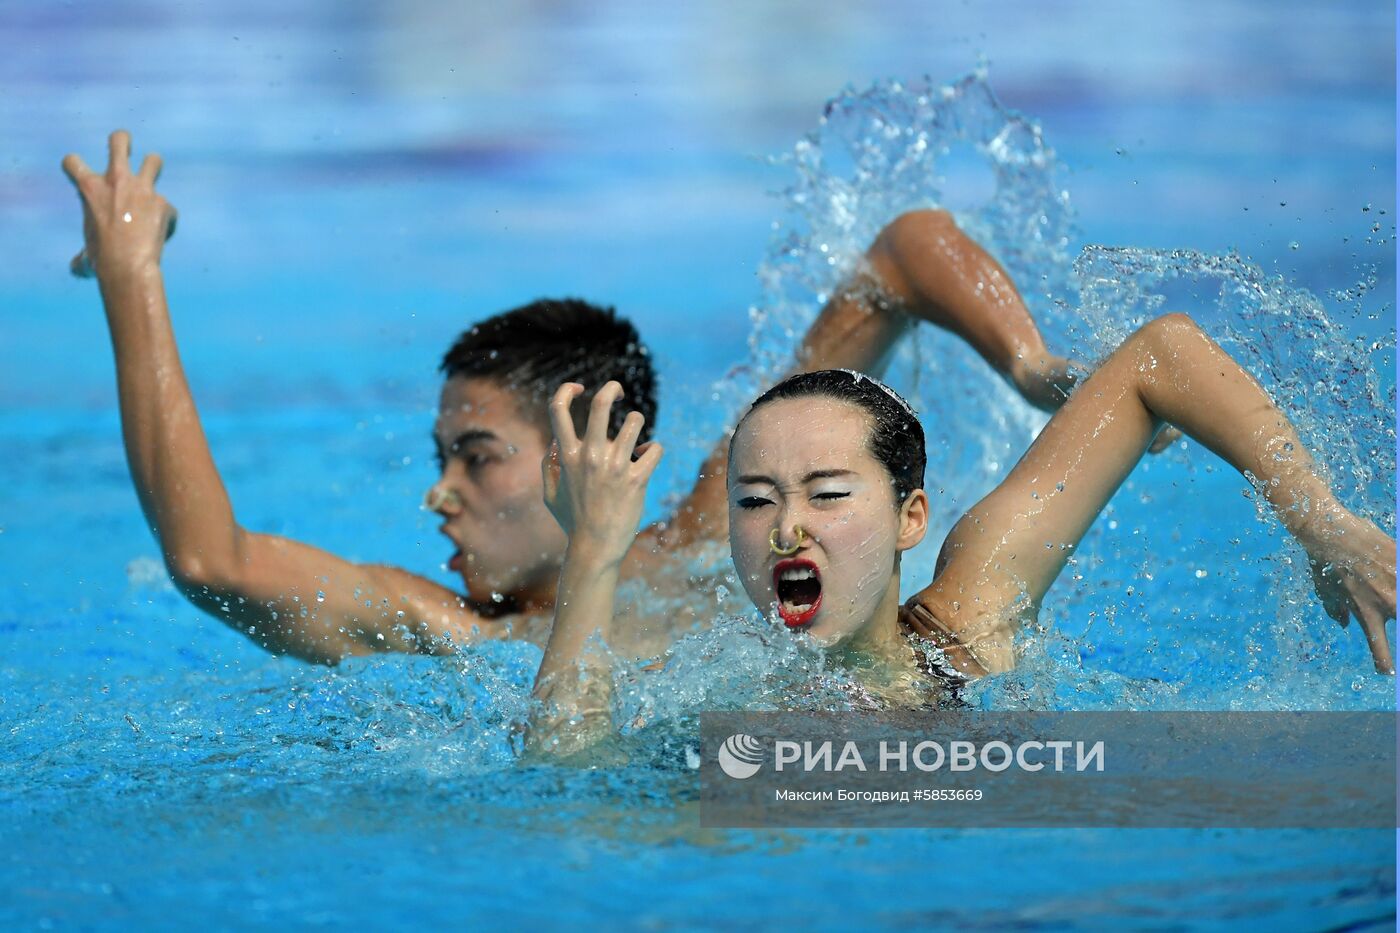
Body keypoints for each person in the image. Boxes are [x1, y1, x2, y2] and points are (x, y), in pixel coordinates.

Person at [63, 129, 1099, 665]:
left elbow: (899, 256)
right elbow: (211, 560)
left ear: (584, 446)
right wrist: (133, 281)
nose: (439, 496)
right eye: (440, 462)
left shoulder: (719, 526)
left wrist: (1030, 368)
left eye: (473, 455)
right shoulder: (452, 631)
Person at [531, 320, 1396, 746]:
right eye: (753, 502)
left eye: (827, 494)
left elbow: (1161, 357)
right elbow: (573, 800)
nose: (787, 527)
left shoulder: (969, 620)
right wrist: (596, 553)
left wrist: (1318, 520)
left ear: (913, 515)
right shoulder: (720, 709)